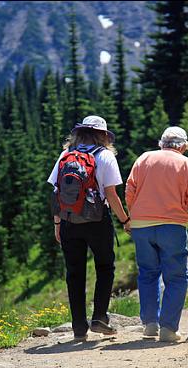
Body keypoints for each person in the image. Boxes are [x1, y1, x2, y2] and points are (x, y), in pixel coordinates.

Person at [48, 115, 131, 342]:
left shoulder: (66, 155)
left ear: (80, 133)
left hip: (69, 221)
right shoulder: (105, 156)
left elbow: (56, 192)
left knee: (74, 273)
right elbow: (111, 194)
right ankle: (100, 318)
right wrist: (125, 220)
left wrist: (57, 223)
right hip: (97, 221)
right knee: (105, 267)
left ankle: (78, 327)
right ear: (103, 135)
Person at [125, 126, 188, 342]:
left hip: (141, 225)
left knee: (147, 273)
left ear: (162, 143)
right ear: (182, 146)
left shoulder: (144, 159)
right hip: (172, 226)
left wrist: (133, 217)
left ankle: (150, 325)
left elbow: (129, 191)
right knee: (176, 277)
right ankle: (169, 329)